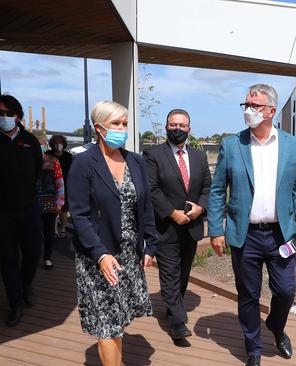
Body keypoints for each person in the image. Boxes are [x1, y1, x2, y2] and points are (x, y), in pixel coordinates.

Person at [208, 84, 296, 366]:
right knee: (248, 295)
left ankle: (276, 327)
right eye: (246, 105)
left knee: (286, 290)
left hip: (282, 234)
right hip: (246, 235)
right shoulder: (232, 145)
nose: (248, 111)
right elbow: (218, 191)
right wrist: (216, 230)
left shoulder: (293, 146)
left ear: (271, 111)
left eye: (255, 106)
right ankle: (253, 349)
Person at [67, 100, 158, 366]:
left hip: (129, 255)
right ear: (99, 128)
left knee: (119, 318)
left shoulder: (136, 161)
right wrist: (100, 254)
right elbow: (80, 215)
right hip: (98, 257)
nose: (122, 128)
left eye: (125, 124)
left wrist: (150, 245)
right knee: (106, 323)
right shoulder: (84, 163)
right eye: (116, 124)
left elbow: (146, 207)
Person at [143, 109, 211, 342]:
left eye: (182, 125)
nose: (177, 129)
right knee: (170, 273)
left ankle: (173, 306)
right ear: (166, 127)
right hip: (166, 226)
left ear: (189, 128)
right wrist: (172, 213)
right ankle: (178, 322)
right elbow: (151, 189)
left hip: (192, 227)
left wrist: (200, 208)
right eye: (173, 125)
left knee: (183, 273)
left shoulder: (199, 156)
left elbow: (207, 188)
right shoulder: (152, 154)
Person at [0, 94, 43, 327]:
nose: (4, 117)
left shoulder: (30, 141)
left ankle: (26, 284)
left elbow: (37, 170)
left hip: (29, 209)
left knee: (33, 252)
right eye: (1, 114)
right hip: (2, 213)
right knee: (7, 259)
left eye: (9, 113)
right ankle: (15, 303)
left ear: (18, 116)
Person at [34, 130, 65, 270]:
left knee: (49, 231)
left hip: (50, 202)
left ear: (45, 144)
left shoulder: (53, 161)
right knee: (34, 232)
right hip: (30, 203)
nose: (40, 146)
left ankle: (47, 257)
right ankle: (34, 256)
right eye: (36, 144)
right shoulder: (25, 160)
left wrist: (60, 202)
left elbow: (59, 182)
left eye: (41, 143)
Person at [46, 134, 73, 237]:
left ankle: (63, 229)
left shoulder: (68, 156)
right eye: (56, 143)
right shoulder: (47, 154)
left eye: (60, 143)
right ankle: (54, 230)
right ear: (52, 144)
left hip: (65, 186)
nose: (58, 145)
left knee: (64, 209)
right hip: (49, 186)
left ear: (64, 144)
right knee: (52, 209)